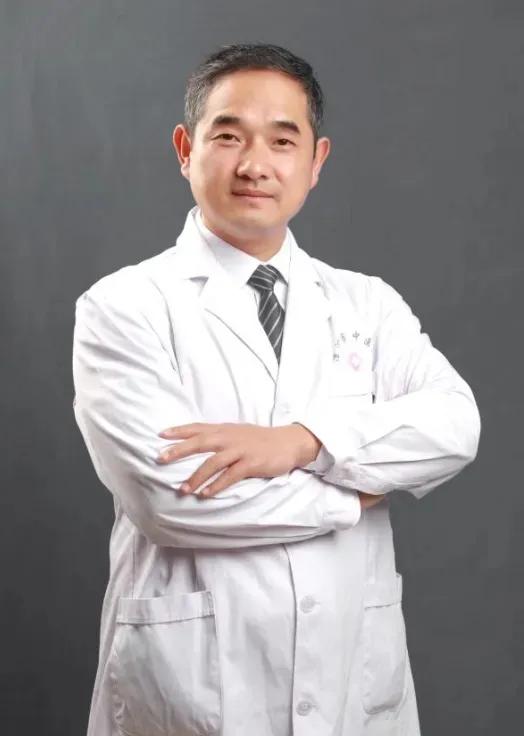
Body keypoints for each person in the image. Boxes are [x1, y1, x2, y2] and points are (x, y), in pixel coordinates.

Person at [72, 42, 480, 736]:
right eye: (229, 136)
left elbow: (454, 426)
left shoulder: (367, 303)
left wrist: (301, 444)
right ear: (185, 149)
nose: (255, 164)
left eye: (282, 141)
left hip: (352, 679)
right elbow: (170, 501)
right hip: (191, 689)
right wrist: (355, 492)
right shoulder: (123, 307)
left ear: (316, 162)